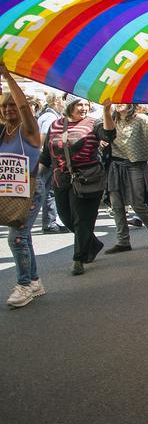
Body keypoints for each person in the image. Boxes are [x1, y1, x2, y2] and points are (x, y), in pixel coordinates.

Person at [39, 95, 116, 275]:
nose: (83, 108)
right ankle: (93, 243)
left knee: (81, 219)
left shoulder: (93, 123)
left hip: (87, 179)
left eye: (86, 104)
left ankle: (78, 258)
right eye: (79, 104)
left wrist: (106, 111)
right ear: (69, 106)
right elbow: (46, 155)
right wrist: (34, 175)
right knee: (66, 218)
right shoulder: (55, 125)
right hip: (61, 180)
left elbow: (109, 135)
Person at [1, 65, 44, 307]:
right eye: (4, 106)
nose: (9, 109)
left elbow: (25, 107)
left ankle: (24, 285)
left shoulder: (29, 131)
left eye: (12, 105)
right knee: (23, 236)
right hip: (9, 192)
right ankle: (35, 281)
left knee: (16, 238)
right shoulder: (2, 133)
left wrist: (7, 77)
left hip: (30, 191)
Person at [104, 104, 148, 253]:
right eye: (116, 101)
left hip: (135, 165)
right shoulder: (111, 118)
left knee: (137, 203)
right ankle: (123, 241)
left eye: (123, 101)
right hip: (115, 165)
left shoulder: (141, 119)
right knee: (116, 205)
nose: (119, 104)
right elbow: (105, 133)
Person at [35, 93, 67, 234]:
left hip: (45, 156)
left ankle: (51, 221)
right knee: (49, 191)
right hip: (47, 158)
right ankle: (49, 223)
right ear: (56, 101)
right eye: (62, 100)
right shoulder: (50, 117)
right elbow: (43, 138)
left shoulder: (48, 115)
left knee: (48, 190)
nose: (64, 103)